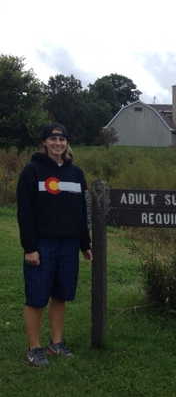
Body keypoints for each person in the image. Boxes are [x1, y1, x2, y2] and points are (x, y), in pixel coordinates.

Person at [17, 123, 93, 367]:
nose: (58, 144)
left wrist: (85, 243)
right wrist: (30, 248)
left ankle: (55, 344)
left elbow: (82, 212)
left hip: (69, 245)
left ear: (66, 143)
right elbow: (25, 214)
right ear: (44, 143)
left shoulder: (76, 174)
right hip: (42, 244)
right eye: (52, 139)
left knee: (61, 296)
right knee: (36, 298)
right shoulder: (32, 171)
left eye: (62, 140)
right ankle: (34, 349)